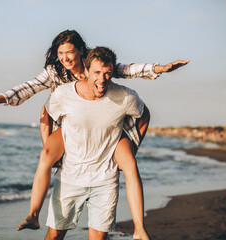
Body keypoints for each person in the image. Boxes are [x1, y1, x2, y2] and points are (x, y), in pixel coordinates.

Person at [0, 30, 188, 238]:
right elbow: (28, 89)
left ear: (82, 51)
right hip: (72, 128)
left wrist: (160, 69)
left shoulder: (96, 65)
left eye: (69, 52)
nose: (65, 58)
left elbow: (128, 70)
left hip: (107, 126)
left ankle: (140, 229)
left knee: (129, 162)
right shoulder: (56, 73)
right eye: (60, 53)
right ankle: (33, 214)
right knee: (46, 155)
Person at [42, 46, 150, 240]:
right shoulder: (64, 94)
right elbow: (46, 114)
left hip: (105, 181)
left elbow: (144, 114)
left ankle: (140, 229)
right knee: (54, 235)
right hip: (69, 178)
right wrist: (49, 150)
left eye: (107, 73)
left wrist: (134, 145)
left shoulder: (125, 97)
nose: (102, 79)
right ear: (86, 70)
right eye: (97, 72)